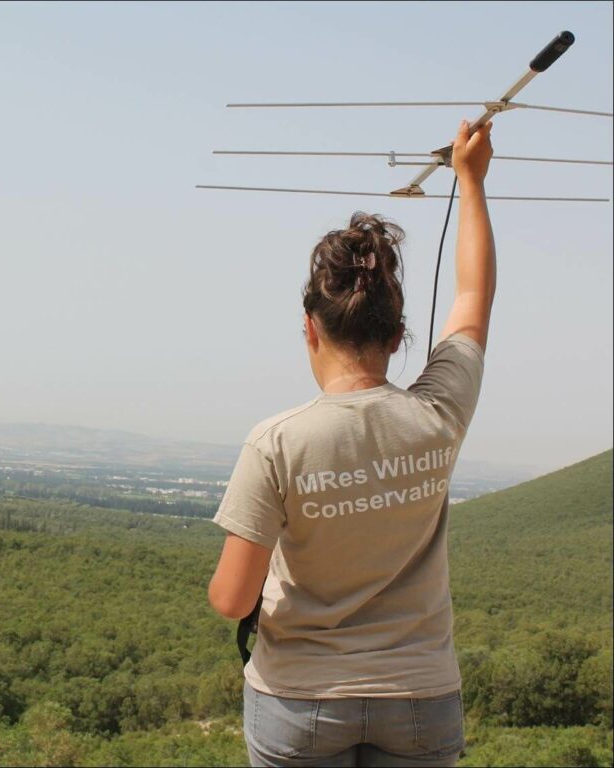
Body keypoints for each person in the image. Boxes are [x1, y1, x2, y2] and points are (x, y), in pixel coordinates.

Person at [207, 119, 495, 768]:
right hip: (421, 697)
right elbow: (473, 300)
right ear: (398, 336)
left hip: (299, 700)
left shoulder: (277, 443)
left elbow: (231, 600)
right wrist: (471, 184)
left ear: (310, 328)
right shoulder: (439, 414)